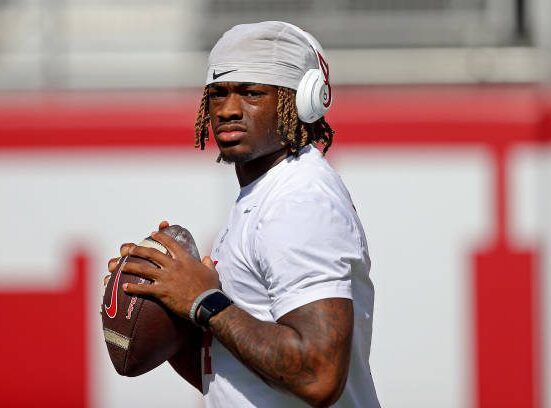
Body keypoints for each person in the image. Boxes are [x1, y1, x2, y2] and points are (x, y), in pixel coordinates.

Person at [110, 21, 380, 407]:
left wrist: (204, 299)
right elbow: (232, 380)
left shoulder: (298, 199)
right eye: (217, 94)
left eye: (251, 92)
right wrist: (170, 306)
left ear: (303, 100)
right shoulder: (265, 193)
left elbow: (318, 375)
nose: (228, 110)